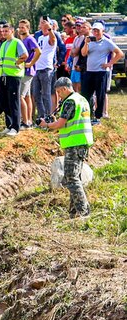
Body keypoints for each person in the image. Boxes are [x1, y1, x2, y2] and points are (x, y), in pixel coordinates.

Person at [38, 77, 92, 217]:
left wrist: (46, 125)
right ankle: (73, 213)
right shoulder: (81, 99)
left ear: (64, 89)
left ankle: (83, 212)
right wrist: (55, 123)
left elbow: (60, 124)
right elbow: (70, 122)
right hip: (82, 142)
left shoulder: (69, 101)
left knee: (71, 178)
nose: (58, 95)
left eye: (58, 92)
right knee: (75, 177)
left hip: (74, 144)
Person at [80, 22, 123, 123]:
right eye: (94, 30)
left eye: (97, 30)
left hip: (101, 72)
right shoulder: (90, 41)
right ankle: (87, 115)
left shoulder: (107, 42)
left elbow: (119, 53)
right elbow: (83, 53)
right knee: (86, 94)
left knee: (100, 95)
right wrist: (86, 43)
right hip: (89, 71)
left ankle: (98, 117)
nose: (95, 32)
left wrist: (109, 64)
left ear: (102, 31)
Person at [0, 22, 28, 136]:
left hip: (14, 76)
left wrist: (17, 62)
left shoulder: (17, 42)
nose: (4, 33)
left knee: (14, 102)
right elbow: (1, 61)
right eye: (2, 31)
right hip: (4, 76)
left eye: (6, 31)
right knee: (4, 101)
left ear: (12, 31)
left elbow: (25, 55)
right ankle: (9, 125)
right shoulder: (3, 44)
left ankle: (15, 127)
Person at [17, 20, 41, 129]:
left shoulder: (30, 39)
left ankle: (25, 122)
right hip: (23, 71)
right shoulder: (22, 39)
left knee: (20, 95)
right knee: (27, 96)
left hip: (27, 71)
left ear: (28, 28)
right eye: (19, 27)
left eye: (23, 27)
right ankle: (29, 120)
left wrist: (31, 63)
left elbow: (38, 51)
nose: (21, 29)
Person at [33, 19, 57, 122]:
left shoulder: (51, 36)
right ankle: (41, 116)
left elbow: (53, 40)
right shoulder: (40, 37)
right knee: (36, 94)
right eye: (41, 23)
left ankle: (48, 116)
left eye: (44, 23)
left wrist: (49, 28)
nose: (42, 24)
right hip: (37, 69)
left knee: (46, 94)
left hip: (46, 69)